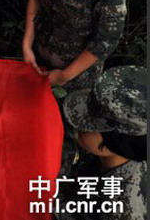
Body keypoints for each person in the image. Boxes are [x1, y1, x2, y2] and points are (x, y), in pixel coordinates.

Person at [57, 66, 146, 220]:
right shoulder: (107, 156)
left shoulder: (120, 210)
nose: (78, 126)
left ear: (111, 145)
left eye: (87, 126)